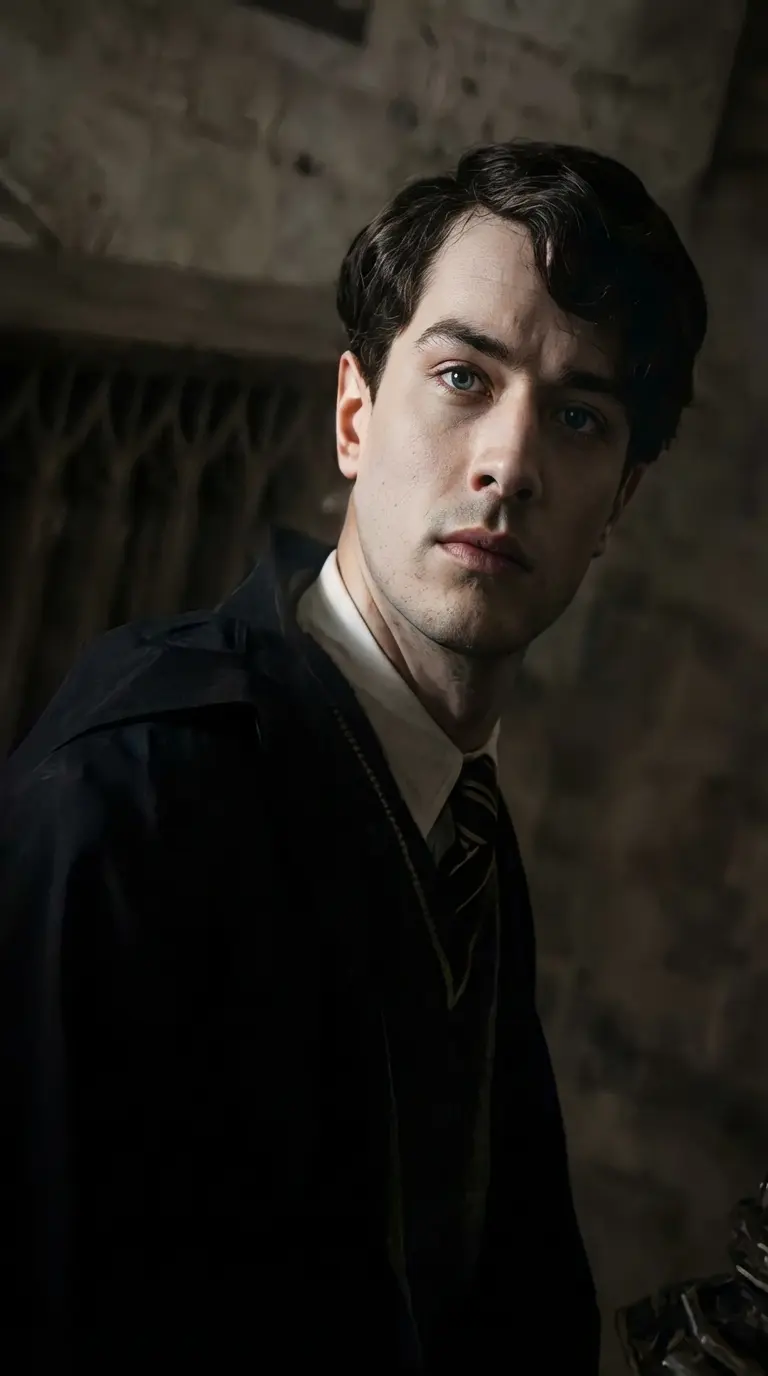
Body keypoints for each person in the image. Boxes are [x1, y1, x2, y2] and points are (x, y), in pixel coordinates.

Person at [0, 140, 707, 1371]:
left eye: (579, 416)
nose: (510, 463)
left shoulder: (459, 822)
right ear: (354, 414)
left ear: (619, 504)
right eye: (462, 376)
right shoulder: (134, 794)